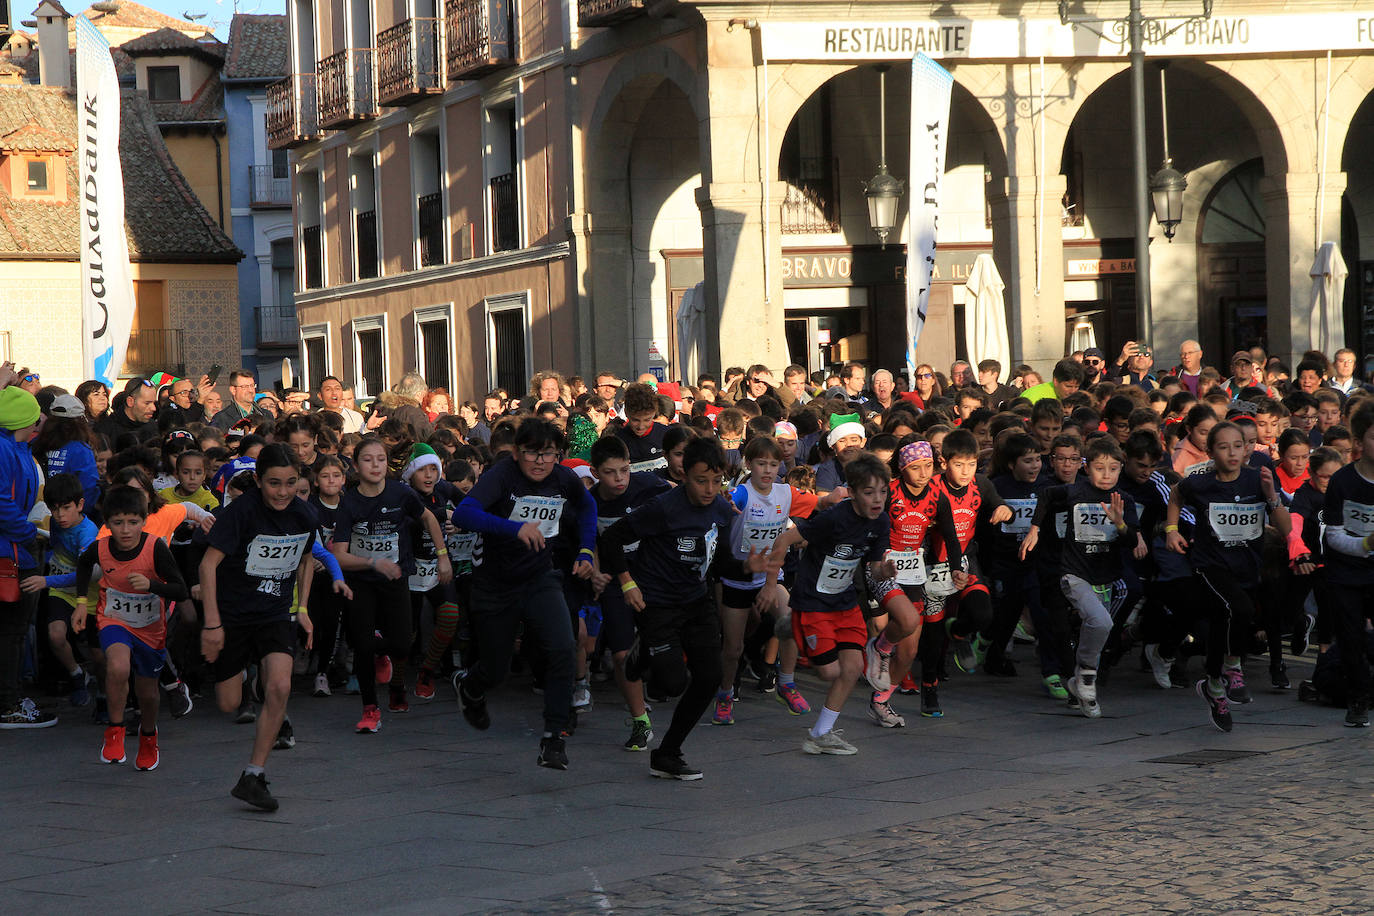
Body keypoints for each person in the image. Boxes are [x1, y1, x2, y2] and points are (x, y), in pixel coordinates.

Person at [601, 437, 777, 778]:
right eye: (701, 480)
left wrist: (745, 567)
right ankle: (642, 657)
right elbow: (610, 539)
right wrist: (626, 582)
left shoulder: (722, 510)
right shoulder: (663, 507)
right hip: (657, 602)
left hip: (697, 601)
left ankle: (668, 753)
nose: (709, 489)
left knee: (710, 677)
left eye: (716, 481)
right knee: (671, 683)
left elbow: (720, 563)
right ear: (684, 476)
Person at [200, 445, 350, 810]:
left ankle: (254, 774)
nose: (282, 492)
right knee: (228, 703)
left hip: (274, 613)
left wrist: (301, 607)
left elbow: (307, 556)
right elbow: (207, 566)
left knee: (281, 686)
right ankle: (255, 686)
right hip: (233, 616)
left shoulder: (304, 514)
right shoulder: (240, 513)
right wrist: (212, 624)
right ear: (258, 481)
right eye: (273, 484)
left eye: (290, 483)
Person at [451, 419, 597, 770]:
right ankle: (470, 685)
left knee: (563, 646)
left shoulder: (563, 479)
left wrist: (586, 550)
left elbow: (588, 506)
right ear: (517, 452)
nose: (539, 461)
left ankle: (553, 738)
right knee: (497, 669)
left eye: (548, 454)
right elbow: (464, 513)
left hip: (540, 577)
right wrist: (514, 529)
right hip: (495, 584)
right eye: (531, 452)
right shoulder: (501, 476)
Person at [766, 453, 895, 756]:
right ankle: (790, 627)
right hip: (813, 601)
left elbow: (873, 568)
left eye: (883, 492)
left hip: (845, 603)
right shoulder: (834, 518)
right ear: (851, 492)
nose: (878, 499)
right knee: (828, 672)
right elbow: (785, 540)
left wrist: (883, 572)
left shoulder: (881, 521)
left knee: (852, 668)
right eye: (868, 492)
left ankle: (820, 734)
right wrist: (771, 585)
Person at [1166, 420, 1289, 732]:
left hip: (1246, 566)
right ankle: (1233, 669)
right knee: (1241, 610)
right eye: (1223, 447)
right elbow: (1175, 495)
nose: (1233, 453)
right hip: (1210, 565)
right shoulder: (1201, 482)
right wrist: (1171, 530)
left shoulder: (1257, 479)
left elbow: (1284, 525)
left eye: (1238, 445)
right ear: (1210, 452)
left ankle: (1213, 685)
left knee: (1225, 619)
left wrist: (1271, 496)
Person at [330, 437, 452, 733]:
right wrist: (373, 562)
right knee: (361, 645)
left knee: (400, 644)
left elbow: (430, 520)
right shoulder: (350, 502)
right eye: (368, 460)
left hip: (396, 578)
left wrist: (442, 556)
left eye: (381, 459)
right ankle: (370, 710)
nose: (375, 465)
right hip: (362, 581)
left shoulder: (401, 494)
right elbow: (340, 555)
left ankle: (381, 650)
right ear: (356, 466)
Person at [1020, 437, 1139, 718]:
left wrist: (1120, 523)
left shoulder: (1124, 500)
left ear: (1121, 469)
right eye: (1100, 468)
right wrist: (1035, 528)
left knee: (1098, 627)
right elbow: (1047, 495)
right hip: (1073, 573)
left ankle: (1081, 678)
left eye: (1112, 469)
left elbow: (1132, 539)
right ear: (1087, 468)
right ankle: (1086, 678)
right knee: (1100, 621)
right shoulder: (1075, 492)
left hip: (1106, 576)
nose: (1106, 475)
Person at [73, 485, 190, 768]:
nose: (125, 530)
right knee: (118, 666)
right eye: (118, 523)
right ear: (108, 522)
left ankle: (149, 737)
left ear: (144, 520)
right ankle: (115, 731)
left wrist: (152, 585)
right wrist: (79, 602)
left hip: (150, 627)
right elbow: (84, 565)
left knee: (148, 693)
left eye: (133, 522)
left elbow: (180, 590)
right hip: (114, 619)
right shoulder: (100, 547)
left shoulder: (155, 547)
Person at [587, 435, 671, 750]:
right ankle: (640, 722)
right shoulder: (590, 501)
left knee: (661, 648)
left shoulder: (649, 486)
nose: (620, 478)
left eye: (624, 470)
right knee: (622, 655)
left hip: (652, 576)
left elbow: (680, 497)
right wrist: (594, 570)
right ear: (595, 472)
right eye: (610, 472)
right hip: (614, 578)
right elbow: (589, 539)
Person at [18, 473, 98, 708]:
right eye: (55, 509)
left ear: (80, 505)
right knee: (55, 634)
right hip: (61, 591)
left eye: (66, 508)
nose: (60, 515)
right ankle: (76, 675)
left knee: (99, 653)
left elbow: (87, 575)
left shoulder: (88, 533)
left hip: (88, 594)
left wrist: (46, 581)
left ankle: (104, 697)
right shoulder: (53, 521)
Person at [0, 381, 52, 728]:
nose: (41, 420)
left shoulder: (16, 448)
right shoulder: (5, 451)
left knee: (13, 630)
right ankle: (8, 704)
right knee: (11, 631)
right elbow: (2, 502)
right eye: (35, 414)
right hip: (11, 552)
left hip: (16, 548)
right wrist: (29, 531)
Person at [1320, 402, 1374, 727]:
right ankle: (1358, 699)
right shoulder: (1341, 482)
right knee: (1351, 640)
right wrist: (1365, 545)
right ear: (1358, 442)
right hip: (1347, 574)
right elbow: (1334, 536)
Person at [95, 378, 158, 445]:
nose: (153, 408)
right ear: (130, 401)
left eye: (154, 403)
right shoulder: (105, 429)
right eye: (147, 403)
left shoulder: (152, 426)